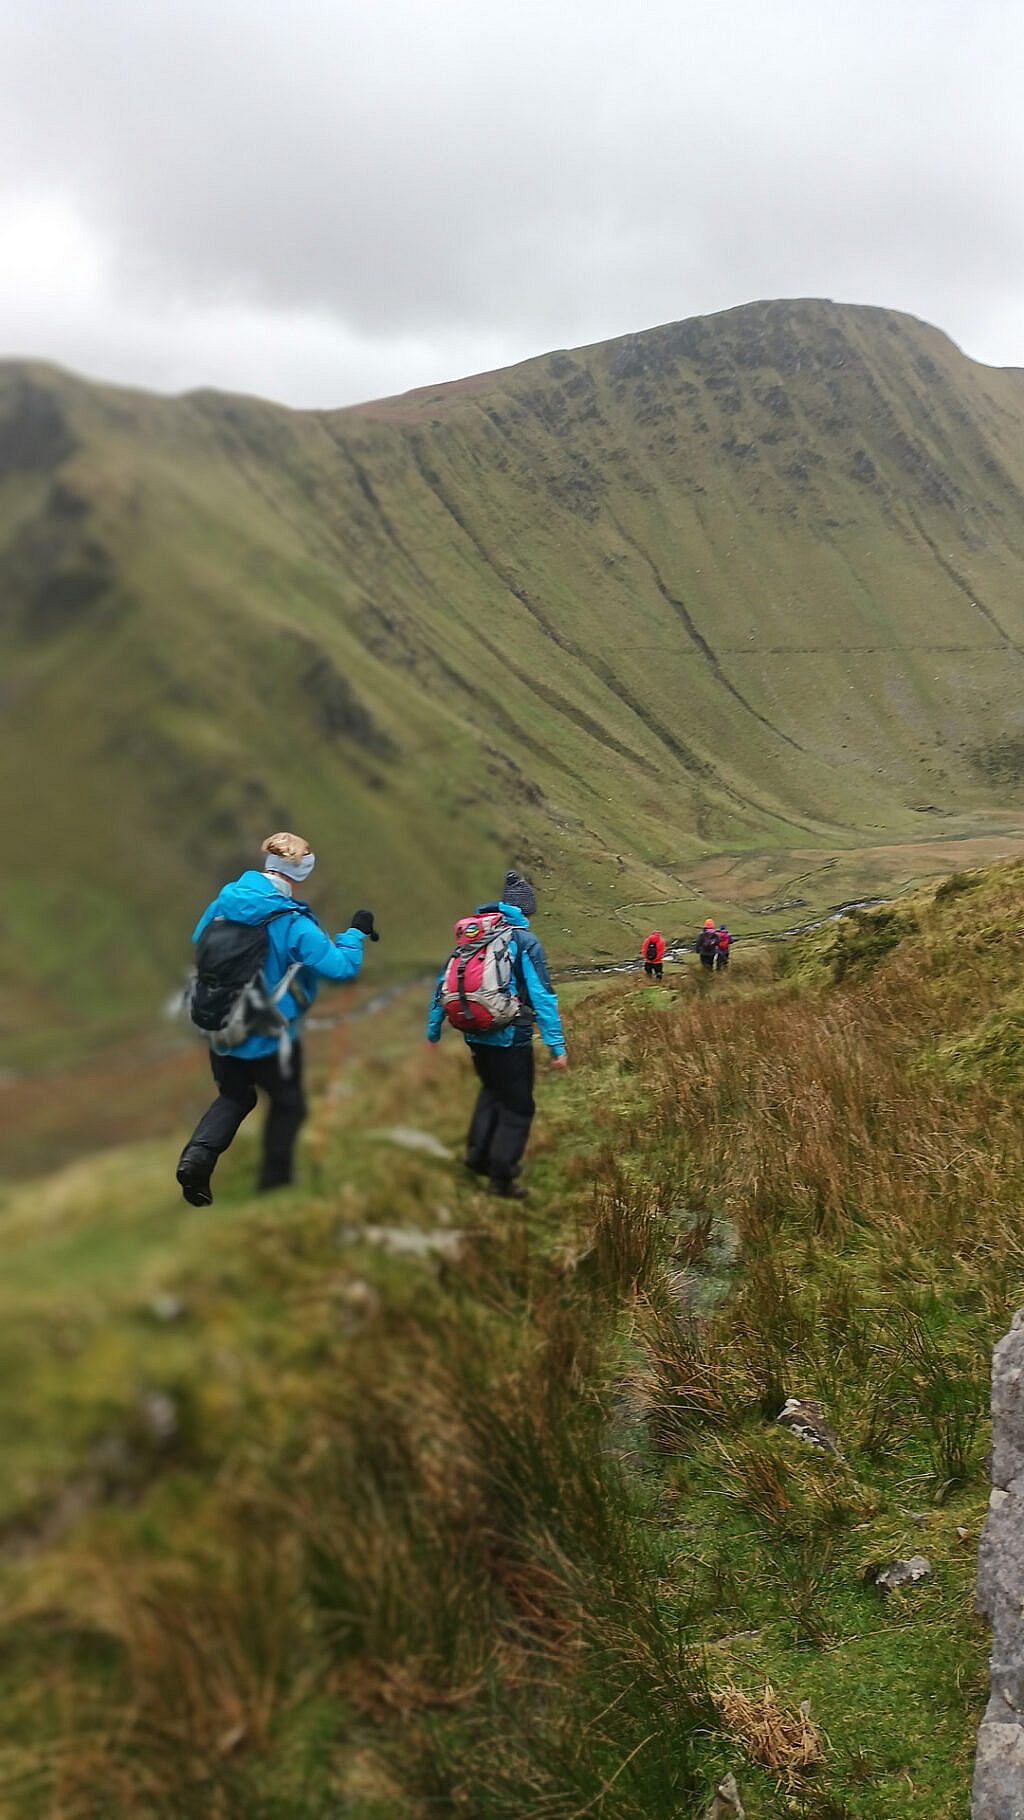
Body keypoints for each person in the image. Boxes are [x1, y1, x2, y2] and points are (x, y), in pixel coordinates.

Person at [176, 832, 378, 1205]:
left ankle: (197, 1158)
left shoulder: (224, 901)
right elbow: (342, 969)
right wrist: (354, 934)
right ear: (300, 871)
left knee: (234, 1096)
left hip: (221, 1023)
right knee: (289, 1105)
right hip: (271, 1037)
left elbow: (198, 938)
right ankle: (275, 1184)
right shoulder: (292, 922)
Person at [426, 871, 566, 1200]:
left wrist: (432, 1032)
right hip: (510, 1036)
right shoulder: (524, 942)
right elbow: (542, 996)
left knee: (491, 1092)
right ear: (525, 910)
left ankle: (477, 1158)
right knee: (518, 1107)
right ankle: (501, 1178)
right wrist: (556, 1046)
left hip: (474, 1035)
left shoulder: (471, 939)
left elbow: (441, 989)